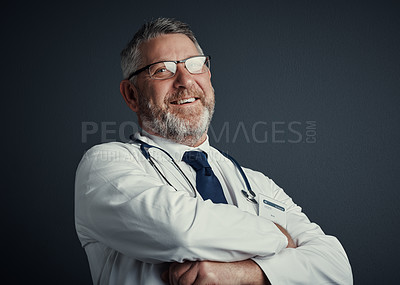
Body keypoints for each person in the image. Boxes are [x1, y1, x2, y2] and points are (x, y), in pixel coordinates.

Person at [75, 17, 353, 284]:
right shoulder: (104, 165)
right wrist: (279, 236)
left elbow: (337, 271)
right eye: (163, 70)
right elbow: (180, 232)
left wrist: (248, 275)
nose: (185, 81)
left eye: (195, 65)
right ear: (131, 95)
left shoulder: (258, 184)